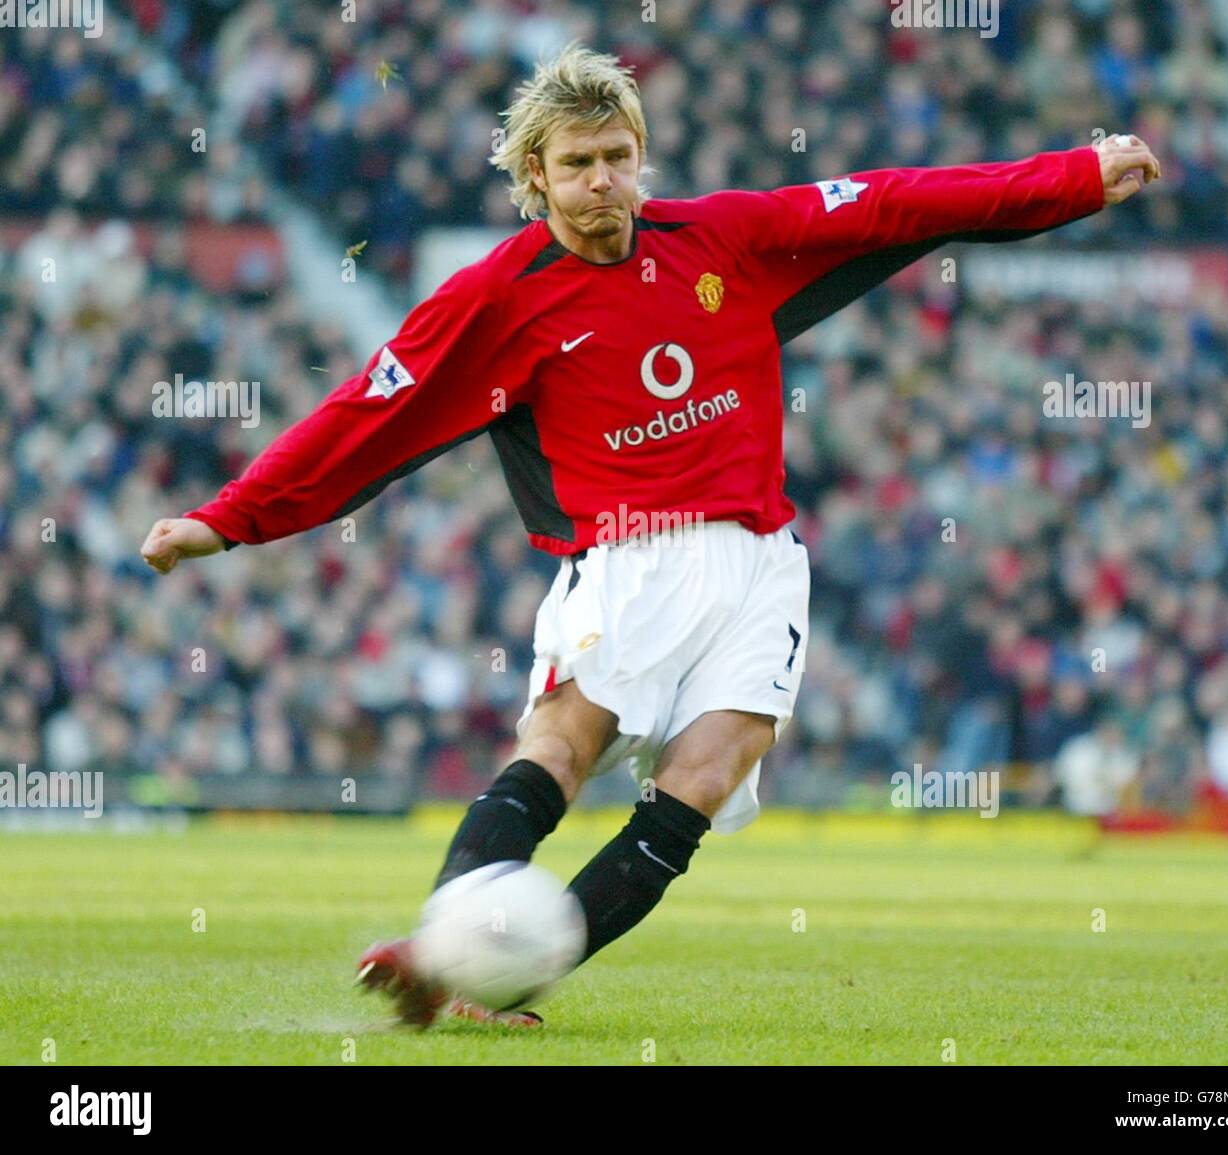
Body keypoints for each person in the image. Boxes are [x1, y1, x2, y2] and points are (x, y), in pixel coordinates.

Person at [140, 44, 1161, 1028]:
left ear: (641, 157)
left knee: (702, 785)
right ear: (535, 176)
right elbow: (367, 411)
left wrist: (1072, 177)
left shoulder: (720, 238)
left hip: (765, 562)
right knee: (563, 745)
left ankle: (490, 974)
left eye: (616, 158)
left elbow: (892, 201)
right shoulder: (499, 295)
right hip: (631, 556)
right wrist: (225, 520)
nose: (601, 183)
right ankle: (436, 943)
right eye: (577, 164)